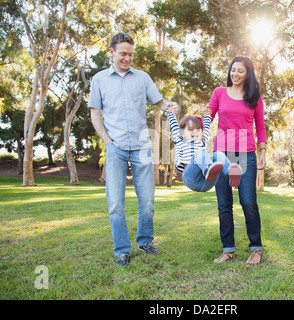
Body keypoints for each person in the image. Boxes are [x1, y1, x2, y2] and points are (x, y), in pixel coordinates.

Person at [88, 32, 179, 266]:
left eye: (130, 54)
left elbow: (159, 103)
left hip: (141, 147)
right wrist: (107, 142)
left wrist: (168, 106)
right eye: (123, 54)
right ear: (111, 52)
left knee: (147, 200)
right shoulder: (99, 79)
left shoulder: (142, 77)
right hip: (115, 146)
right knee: (116, 203)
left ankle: (145, 241)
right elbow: (95, 114)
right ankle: (121, 249)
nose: (127, 58)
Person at [207, 56, 267, 265]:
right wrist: (197, 120)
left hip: (246, 153)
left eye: (240, 71)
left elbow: (260, 126)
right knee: (224, 204)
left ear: (247, 74)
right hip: (221, 154)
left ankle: (256, 249)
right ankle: (228, 249)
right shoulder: (219, 93)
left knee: (248, 201)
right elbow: (208, 116)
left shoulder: (254, 97)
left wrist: (262, 152)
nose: (235, 74)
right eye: (233, 70)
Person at [167, 109, 242, 192]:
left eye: (198, 130)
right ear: (182, 134)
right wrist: (171, 112)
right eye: (191, 129)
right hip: (191, 179)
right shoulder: (180, 140)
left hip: (208, 182)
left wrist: (207, 116)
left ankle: (230, 173)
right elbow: (174, 126)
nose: (195, 132)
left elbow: (206, 126)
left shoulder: (202, 141)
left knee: (217, 154)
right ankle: (207, 169)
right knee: (199, 152)